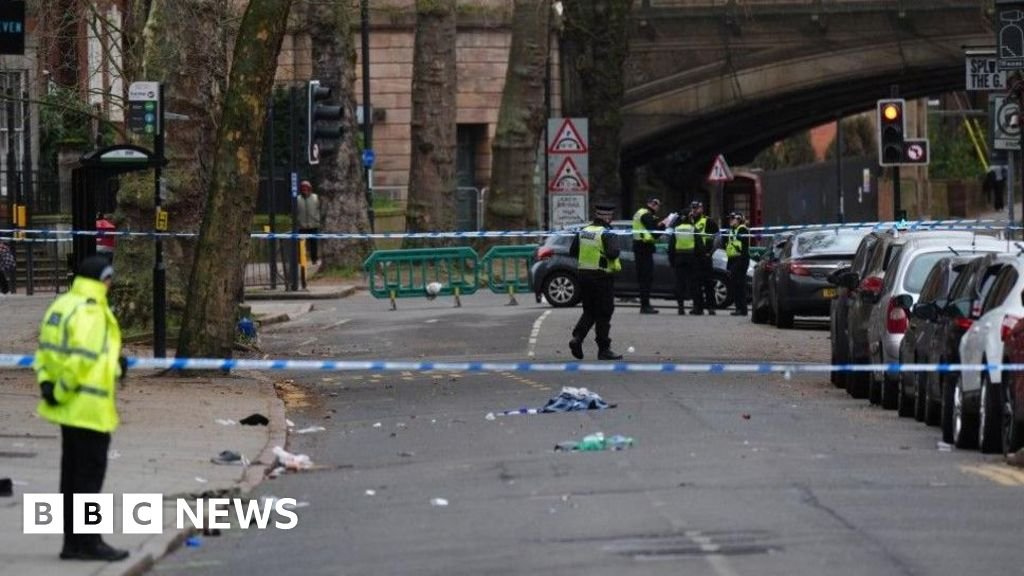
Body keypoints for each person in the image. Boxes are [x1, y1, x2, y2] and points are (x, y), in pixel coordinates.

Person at [34, 256, 128, 562]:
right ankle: (89, 542)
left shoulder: (62, 306)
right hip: (88, 407)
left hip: (67, 409)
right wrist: (61, 392)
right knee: (89, 478)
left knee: (71, 477)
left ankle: (72, 542)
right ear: (104, 279)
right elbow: (82, 360)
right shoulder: (91, 309)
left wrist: (49, 386)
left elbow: (45, 353)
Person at [568, 203, 624, 360]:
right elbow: (613, 254)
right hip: (602, 277)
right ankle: (604, 349)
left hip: (584, 275)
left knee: (589, 310)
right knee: (604, 313)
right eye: (610, 216)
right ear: (607, 217)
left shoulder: (584, 231)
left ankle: (577, 338)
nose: (611, 219)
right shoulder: (606, 233)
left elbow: (573, 252)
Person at [631, 197, 665, 314]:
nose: (658, 208)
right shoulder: (646, 214)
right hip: (644, 249)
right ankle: (645, 306)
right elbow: (654, 233)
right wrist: (664, 225)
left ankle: (645, 305)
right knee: (646, 278)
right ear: (653, 204)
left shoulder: (640, 212)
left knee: (643, 278)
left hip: (640, 248)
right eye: (657, 206)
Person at [688, 201, 718, 315]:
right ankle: (697, 307)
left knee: (708, 283)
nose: (694, 210)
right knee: (695, 284)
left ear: (701, 209)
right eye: (693, 208)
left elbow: (718, 237)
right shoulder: (689, 221)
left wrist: (711, 252)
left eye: (697, 208)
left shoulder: (708, 221)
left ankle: (711, 307)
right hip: (694, 256)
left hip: (705, 256)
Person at [667, 206, 695, 315]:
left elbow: (671, 247)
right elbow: (698, 244)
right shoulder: (693, 229)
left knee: (680, 283)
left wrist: (672, 261)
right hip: (691, 259)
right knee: (692, 282)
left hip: (679, 259)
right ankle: (695, 306)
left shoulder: (676, 229)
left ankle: (681, 307)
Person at [725, 212, 750, 316]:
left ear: (738, 219)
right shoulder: (732, 230)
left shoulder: (742, 229)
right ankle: (738, 308)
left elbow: (742, 246)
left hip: (741, 259)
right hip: (733, 259)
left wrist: (739, 263)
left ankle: (742, 309)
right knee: (735, 285)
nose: (730, 221)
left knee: (739, 285)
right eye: (729, 218)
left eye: (732, 219)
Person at [296, 180, 323, 265]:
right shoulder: (297, 199)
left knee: (313, 245)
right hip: (302, 226)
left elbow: (320, 209)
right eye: (303, 188)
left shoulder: (316, 198)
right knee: (301, 244)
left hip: (313, 225)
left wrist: (318, 220)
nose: (305, 189)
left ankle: (314, 260)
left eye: (306, 188)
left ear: (310, 188)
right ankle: (301, 260)